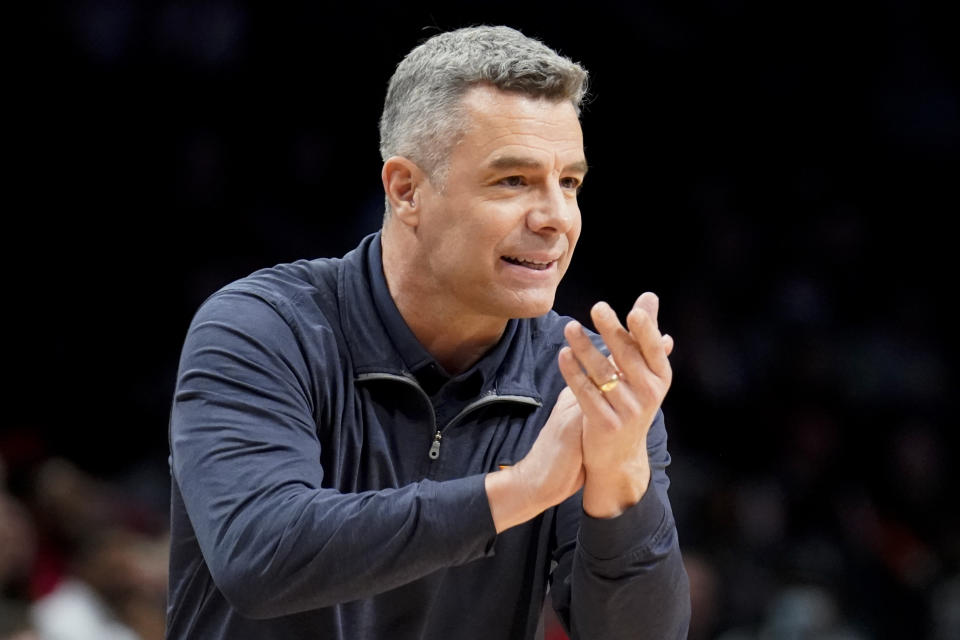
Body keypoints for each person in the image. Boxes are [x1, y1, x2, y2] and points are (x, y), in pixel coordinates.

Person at [166, 25, 690, 640]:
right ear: (406, 190)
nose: (555, 218)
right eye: (513, 181)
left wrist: (622, 482)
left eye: (569, 182)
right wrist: (519, 490)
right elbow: (261, 555)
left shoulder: (585, 378)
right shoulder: (261, 328)